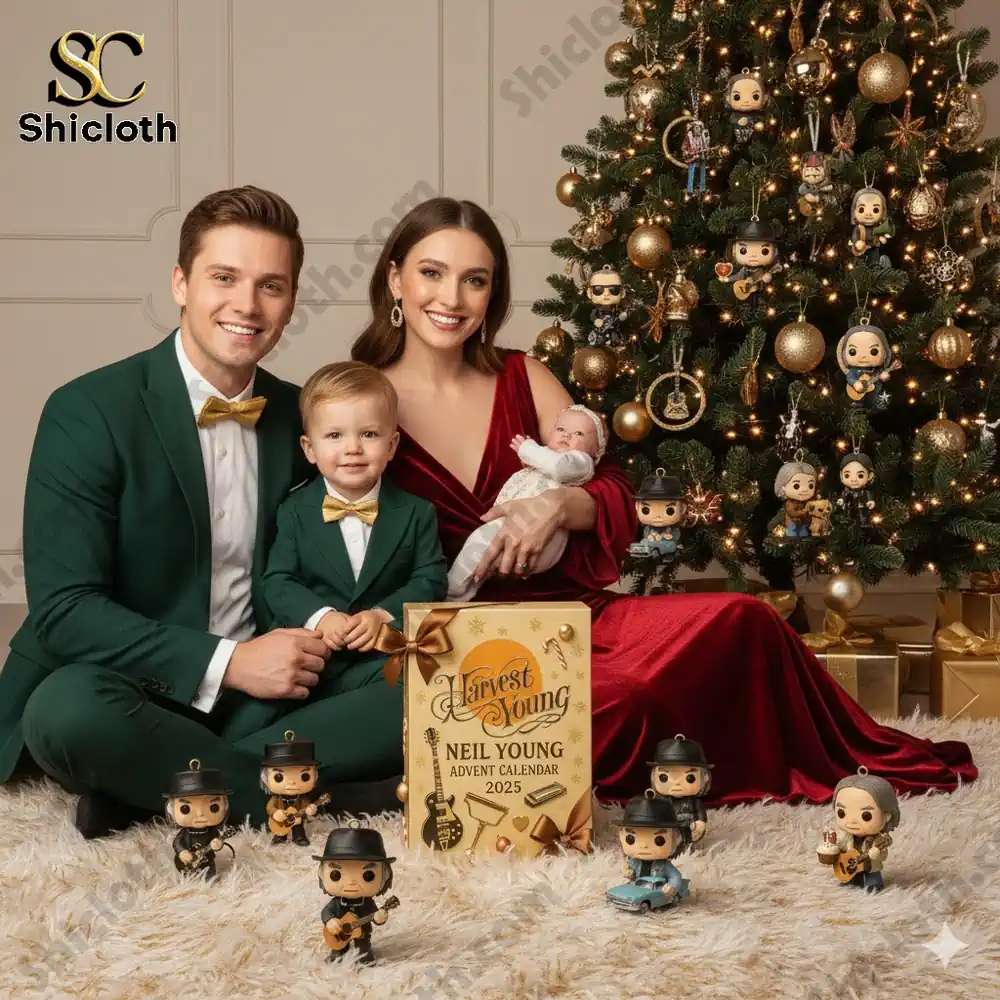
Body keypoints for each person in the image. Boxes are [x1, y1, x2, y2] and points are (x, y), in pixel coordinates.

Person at [350, 196, 977, 807]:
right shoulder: (358, 398)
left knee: (748, 619)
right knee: (621, 698)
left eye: (475, 280)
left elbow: (616, 485)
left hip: (576, 616)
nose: (452, 298)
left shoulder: (523, 375)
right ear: (395, 279)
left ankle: (826, 756)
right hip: (463, 641)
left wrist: (561, 508)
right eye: (432, 273)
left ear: (493, 295)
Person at [0, 186, 402, 839]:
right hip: (127, 687)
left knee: (419, 687)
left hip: (263, 697)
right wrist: (229, 662)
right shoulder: (87, 410)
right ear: (181, 283)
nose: (247, 305)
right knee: (66, 714)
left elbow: (351, 546)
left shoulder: (305, 419)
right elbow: (65, 609)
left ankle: (153, 788)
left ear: (291, 301)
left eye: (271, 286)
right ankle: (316, 795)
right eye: (225, 278)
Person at [262, 360, 447, 643]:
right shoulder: (293, 509)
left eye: (369, 434)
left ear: (392, 445)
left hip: (386, 649)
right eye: (335, 435)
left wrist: (382, 615)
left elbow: (430, 579)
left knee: (415, 681)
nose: (353, 448)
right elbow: (279, 581)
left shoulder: (417, 512)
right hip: (314, 647)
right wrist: (321, 616)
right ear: (309, 449)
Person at [446, 403, 602, 601]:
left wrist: (529, 449)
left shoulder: (581, 461)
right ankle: (458, 599)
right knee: (483, 564)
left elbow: (559, 467)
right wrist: (532, 456)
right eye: (560, 429)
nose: (566, 436)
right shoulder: (547, 457)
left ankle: (447, 592)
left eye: (579, 433)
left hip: (545, 536)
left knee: (478, 543)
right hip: (518, 527)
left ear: (596, 450)